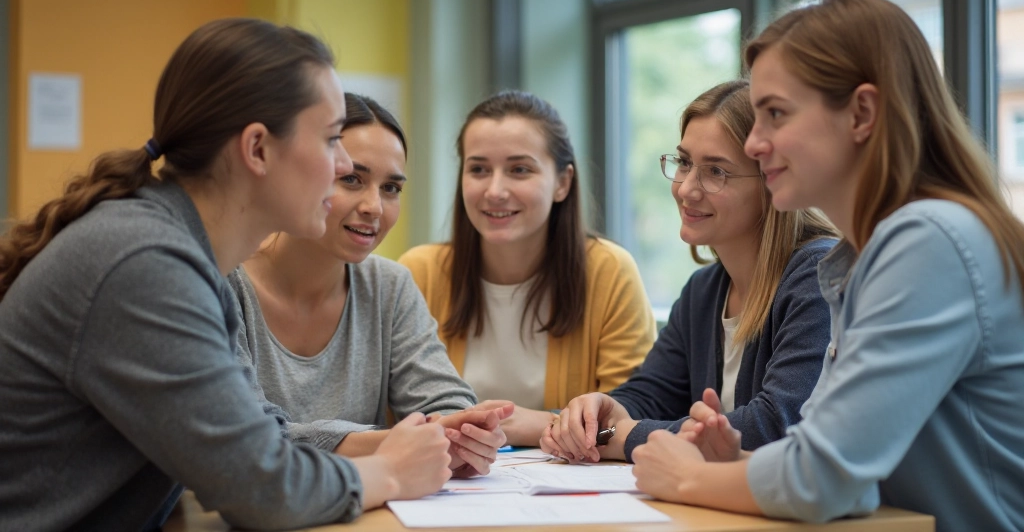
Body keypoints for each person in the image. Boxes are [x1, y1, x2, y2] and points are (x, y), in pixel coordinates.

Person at [0, 19, 454, 531]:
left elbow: (262, 439)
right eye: (330, 140)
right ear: (257, 149)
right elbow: (263, 490)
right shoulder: (145, 265)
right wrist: (390, 472)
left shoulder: (186, 256)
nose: (343, 162)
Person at [630, 0, 1024, 532]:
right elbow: (843, 470)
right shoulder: (864, 256)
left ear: (861, 113)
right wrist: (735, 464)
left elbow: (824, 478)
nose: (755, 143)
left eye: (775, 114)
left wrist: (687, 478)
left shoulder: (928, 242)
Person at [540, 80, 838, 463]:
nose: (686, 189)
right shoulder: (704, 290)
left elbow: (774, 426)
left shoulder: (818, 275)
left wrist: (625, 436)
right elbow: (649, 397)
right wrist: (597, 413)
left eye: (716, 171)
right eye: (683, 162)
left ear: (773, 181)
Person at [230, 92, 509, 477]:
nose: (374, 206)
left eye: (391, 188)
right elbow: (248, 439)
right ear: (299, 173)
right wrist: (397, 443)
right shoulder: (224, 284)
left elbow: (446, 402)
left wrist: (466, 435)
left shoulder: (389, 285)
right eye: (351, 179)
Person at [399, 90, 657, 445]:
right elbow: (395, 415)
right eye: (478, 169)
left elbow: (628, 418)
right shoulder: (418, 272)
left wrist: (536, 425)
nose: (495, 190)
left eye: (519, 169)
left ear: (562, 183)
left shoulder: (609, 271)